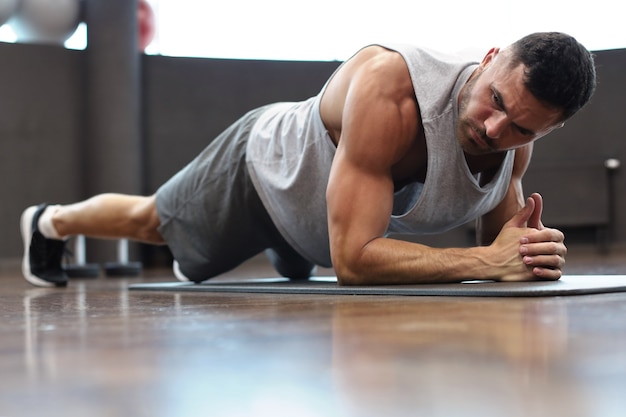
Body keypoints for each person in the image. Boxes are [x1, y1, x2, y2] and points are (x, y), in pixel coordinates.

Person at [20, 32, 596, 288]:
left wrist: (529, 254)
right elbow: (354, 262)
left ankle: (288, 248)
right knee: (155, 226)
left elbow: (504, 250)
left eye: (521, 127)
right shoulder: (391, 87)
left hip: (320, 222)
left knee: (305, 257)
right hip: (263, 172)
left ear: (549, 128)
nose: (495, 129)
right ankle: (49, 221)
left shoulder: (515, 139)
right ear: (489, 58)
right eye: (495, 102)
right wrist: (484, 263)